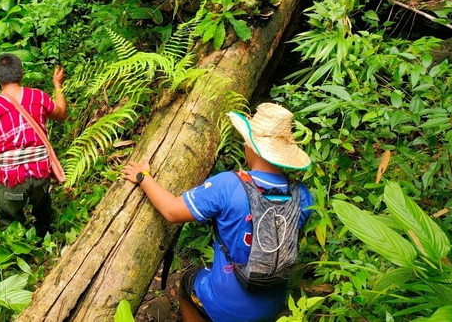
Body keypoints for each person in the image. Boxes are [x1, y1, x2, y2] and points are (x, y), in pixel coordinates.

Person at [122, 103, 313, 322]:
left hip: (228, 303)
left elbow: (172, 212)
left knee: (187, 281)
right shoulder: (302, 195)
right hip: (274, 303)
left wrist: (143, 177)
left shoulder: (229, 184)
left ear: (249, 145)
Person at [0, 53, 66, 237]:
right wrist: (58, 85)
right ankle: (43, 237)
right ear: (21, 73)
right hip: (40, 173)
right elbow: (61, 114)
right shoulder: (37, 96)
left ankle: (18, 248)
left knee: (9, 218)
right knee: (42, 207)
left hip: (11, 178)